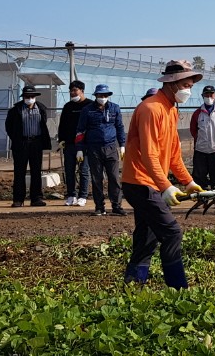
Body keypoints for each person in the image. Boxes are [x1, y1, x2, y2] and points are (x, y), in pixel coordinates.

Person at [120, 59, 204, 287]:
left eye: (191, 86)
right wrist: (165, 185)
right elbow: (148, 154)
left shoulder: (170, 110)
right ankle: (178, 287)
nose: (189, 90)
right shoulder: (151, 108)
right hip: (139, 182)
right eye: (186, 85)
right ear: (172, 83)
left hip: (152, 182)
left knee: (147, 236)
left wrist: (188, 182)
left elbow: (173, 154)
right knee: (172, 233)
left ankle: (134, 282)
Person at [76, 83, 126, 216]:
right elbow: (80, 130)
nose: (102, 97)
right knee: (96, 178)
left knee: (114, 178)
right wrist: (80, 149)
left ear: (108, 96)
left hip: (111, 148)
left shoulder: (115, 108)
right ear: (96, 96)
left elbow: (120, 127)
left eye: (105, 95)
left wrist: (122, 145)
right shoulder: (87, 110)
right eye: (100, 95)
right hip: (94, 149)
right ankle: (99, 207)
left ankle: (116, 206)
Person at [4, 85, 50, 207]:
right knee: (19, 172)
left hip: (36, 143)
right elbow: (9, 127)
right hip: (21, 143)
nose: (30, 98)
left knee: (36, 171)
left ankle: (36, 198)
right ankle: (18, 199)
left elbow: (44, 124)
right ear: (23, 97)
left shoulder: (41, 108)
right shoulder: (15, 110)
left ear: (35, 97)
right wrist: (17, 138)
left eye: (32, 96)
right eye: (27, 96)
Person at [58, 80, 92, 208]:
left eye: (75, 90)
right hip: (70, 145)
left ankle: (83, 196)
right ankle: (71, 195)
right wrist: (62, 139)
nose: (72, 93)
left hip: (84, 145)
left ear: (82, 91)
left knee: (84, 170)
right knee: (69, 170)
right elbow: (62, 125)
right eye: (71, 91)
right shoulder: (68, 107)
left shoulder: (89, 105)